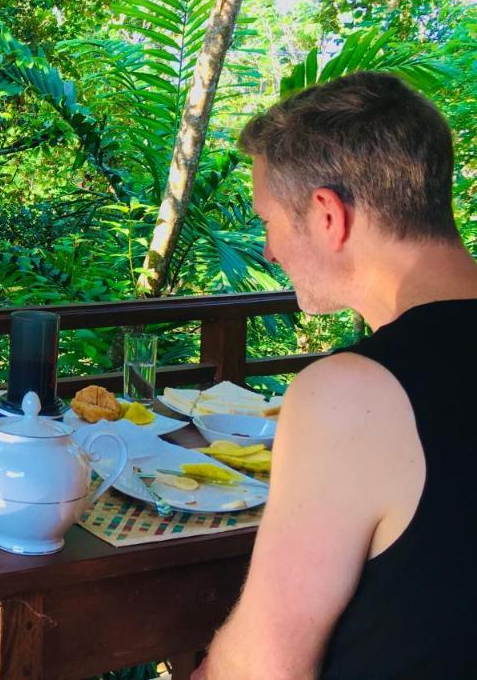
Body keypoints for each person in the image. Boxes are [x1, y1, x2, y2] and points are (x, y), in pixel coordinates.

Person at [192, 71, 477, 679]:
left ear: (327, 215)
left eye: (267, 220)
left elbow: (261, 669)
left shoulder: (355, 393)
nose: (268, 249)